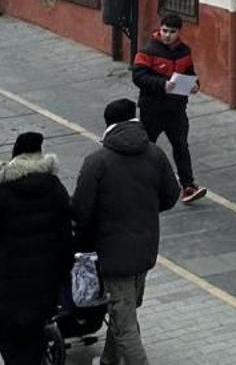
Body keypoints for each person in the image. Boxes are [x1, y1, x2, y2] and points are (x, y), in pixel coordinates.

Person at [71, 97, 180, 365]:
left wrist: (83, 239)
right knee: (126, 311)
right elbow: (171, 194)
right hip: (145, 250)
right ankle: (109, 360)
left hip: (112, 254)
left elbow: (81, 211)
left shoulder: (97, 162)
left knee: (124, 320)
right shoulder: (155, 153)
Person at [0, 131, 73, 365]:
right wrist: (64, 273)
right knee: (36, 340)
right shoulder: (55, 188)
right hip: (44, 285)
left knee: (9, 340)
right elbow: (66, 237)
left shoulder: (1, 191)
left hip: (10, 285)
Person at [132, 12, 207, 204]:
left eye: (172, 32)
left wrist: (195, 85)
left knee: (181, 146)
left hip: (176, 109)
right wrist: (162, 84)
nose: (167, 35)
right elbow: (138, 77)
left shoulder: (185, 52)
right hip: (152, 109)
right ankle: (139, 184)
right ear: (160, 29)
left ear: (179, 32)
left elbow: (190, 72)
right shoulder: (147, 51)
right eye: (165, 30)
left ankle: (188, 186)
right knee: (147, 147)